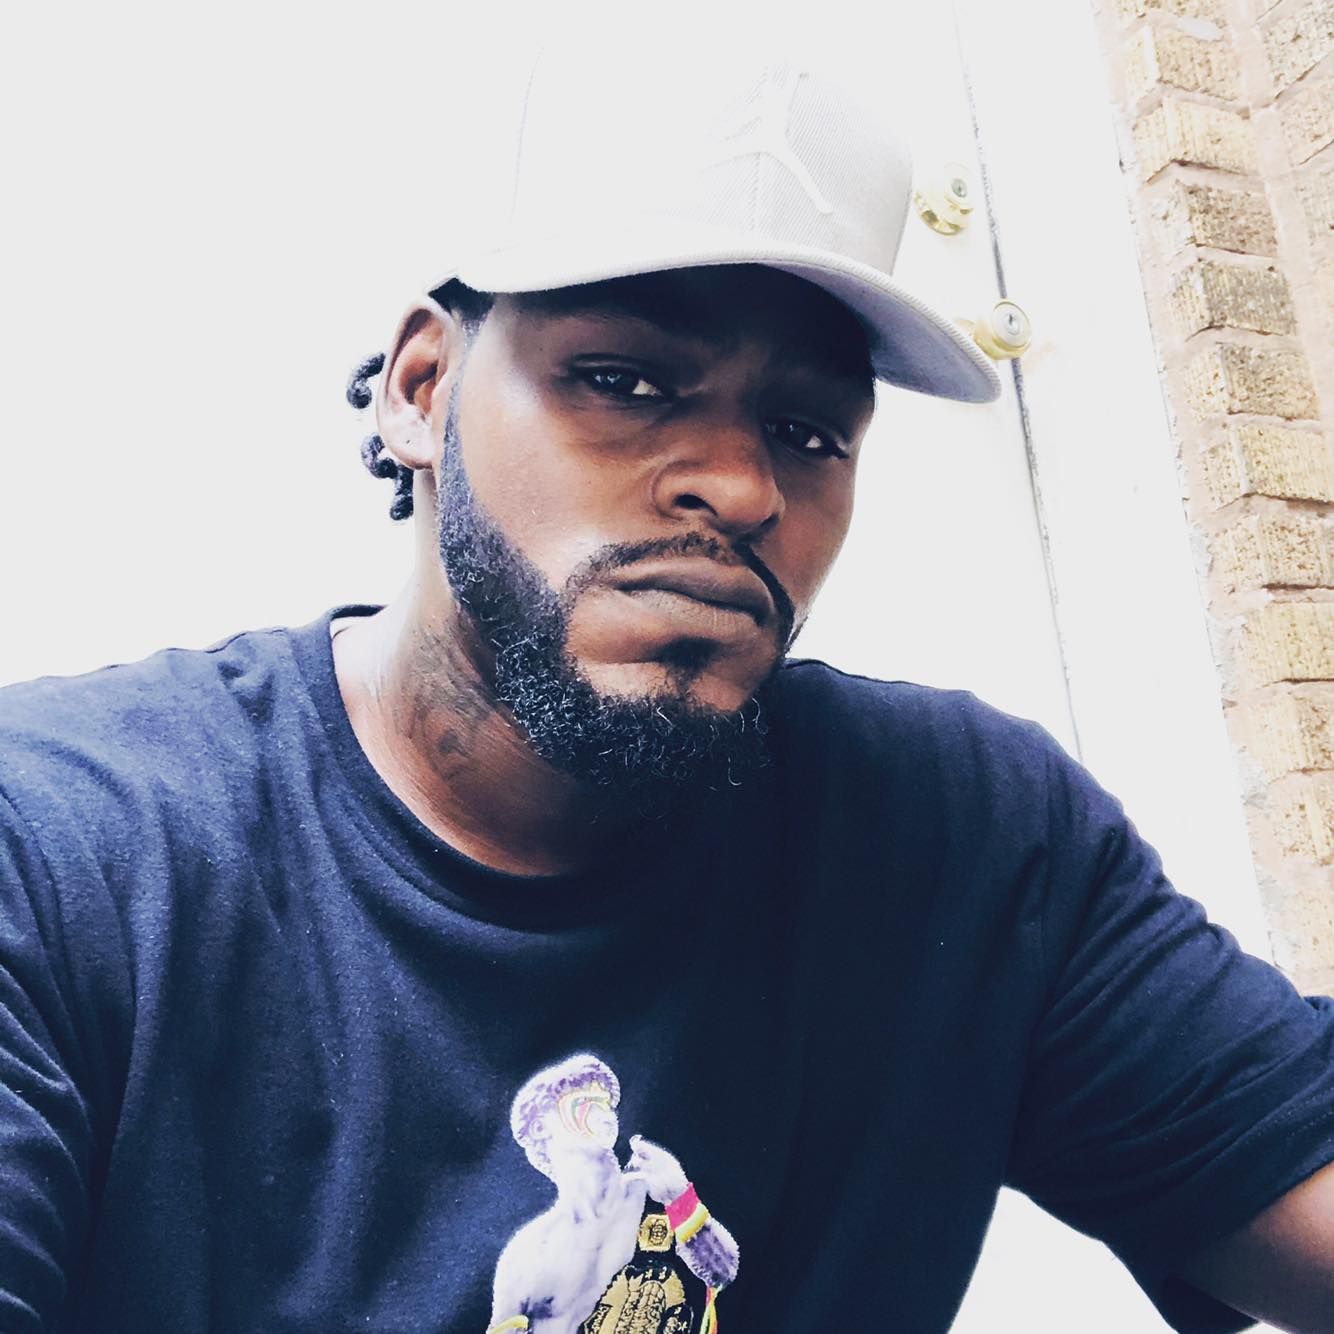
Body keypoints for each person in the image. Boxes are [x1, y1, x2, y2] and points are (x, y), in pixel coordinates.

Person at [1, 31, 1332, 1334]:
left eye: (808, 430)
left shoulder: (970, 843)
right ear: (420, 390)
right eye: (625, 380)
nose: (742, 487)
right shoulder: (66, 857)